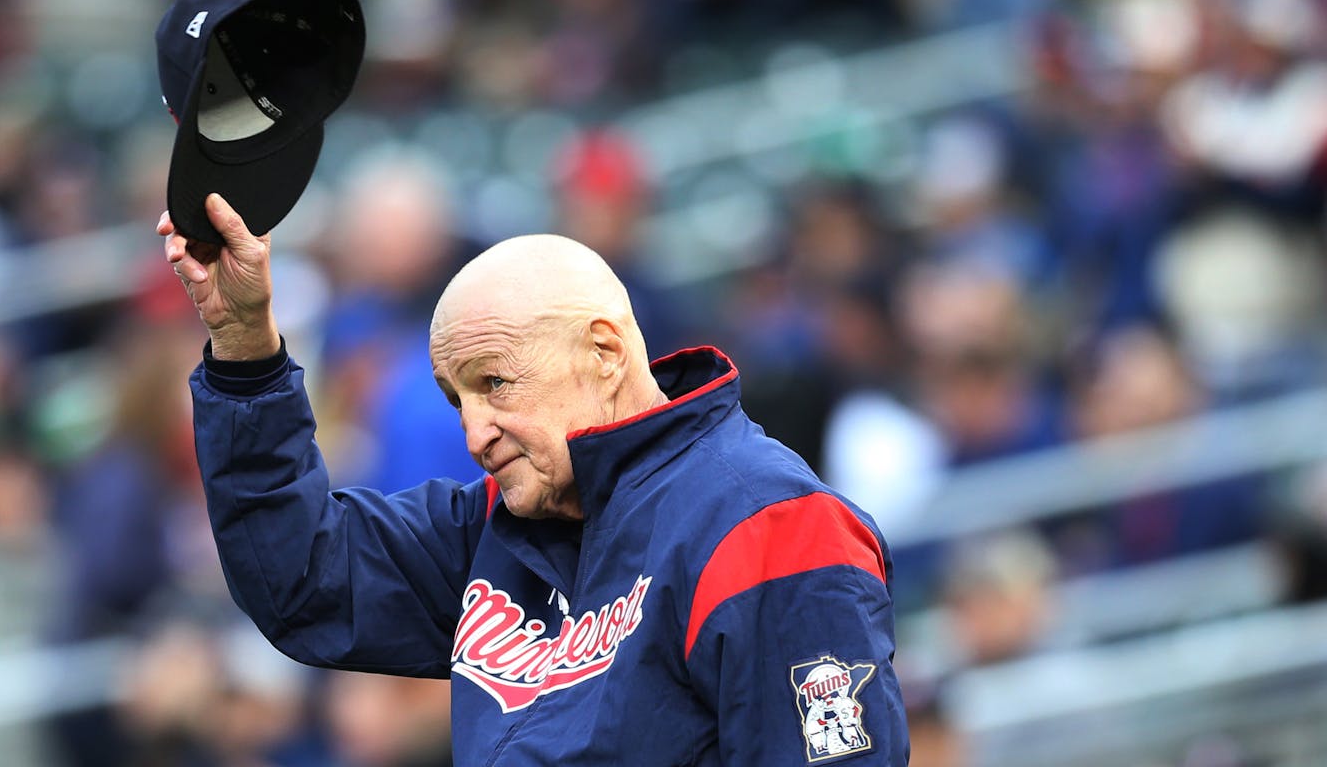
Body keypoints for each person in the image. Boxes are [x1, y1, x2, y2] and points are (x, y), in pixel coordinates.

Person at [158, 192, 908, 765]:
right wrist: (245, 349)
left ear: (605, 352)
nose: (474, 433)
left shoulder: (769, 526)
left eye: (496, 383)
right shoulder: (495, 529)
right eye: (459, 400)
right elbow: (301, 576)